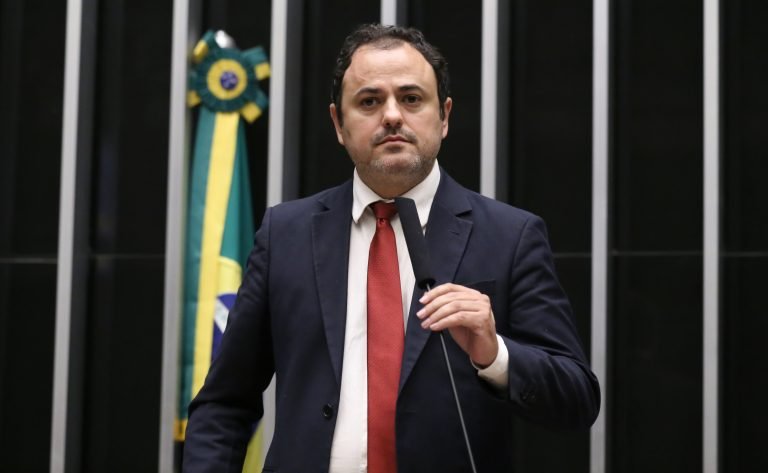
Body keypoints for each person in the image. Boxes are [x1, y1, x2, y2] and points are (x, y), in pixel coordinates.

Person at [183, 23, 600, 473]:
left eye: (411, 98)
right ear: (338, 124)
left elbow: (576, 398)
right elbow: (225, 402)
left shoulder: (509, 235)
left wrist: (493, 353)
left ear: (444, 116)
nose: (392, 116)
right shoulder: (286, 234)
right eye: (369, 101)